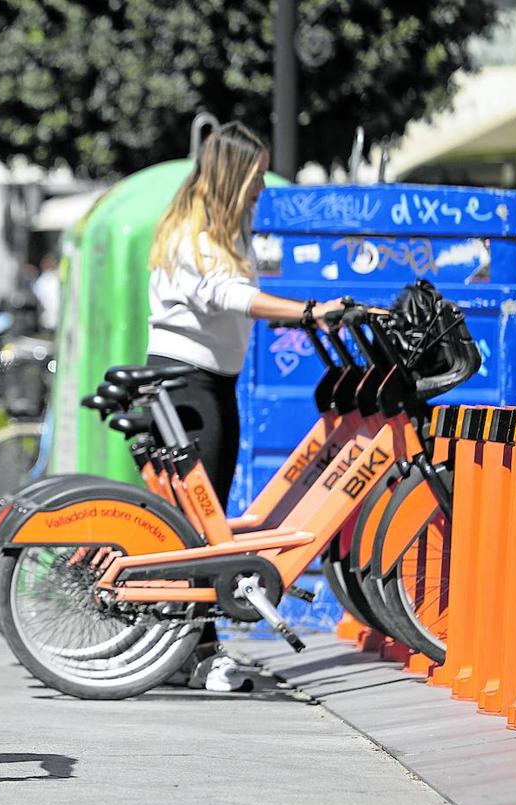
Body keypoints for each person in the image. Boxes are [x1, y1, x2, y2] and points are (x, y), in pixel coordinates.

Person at [146, 122, 341, 692]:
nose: (261, 188)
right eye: (256, 177)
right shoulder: (196, 236)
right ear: (234, 176)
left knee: (204, 525)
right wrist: (307, 311)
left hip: (208, 387)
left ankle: (188, 648)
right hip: (190, 389)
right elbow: (229, 296)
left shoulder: (220, 233)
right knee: (200, 529)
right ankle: (198, 654)